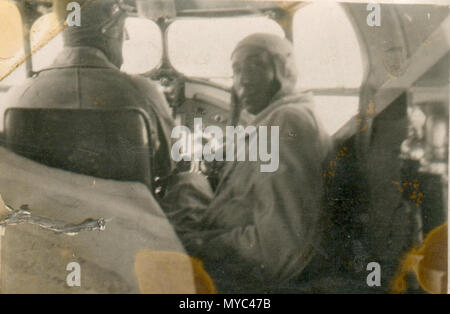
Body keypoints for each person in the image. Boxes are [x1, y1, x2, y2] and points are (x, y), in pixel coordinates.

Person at [161, 33, 334, 293]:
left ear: (284, 71)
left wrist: (199, 243)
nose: (243, 80)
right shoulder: (278, 117)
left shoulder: (284, 122)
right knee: (188, 181)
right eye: (237, 70)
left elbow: (278, 247)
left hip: (253, 272)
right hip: (234, 238)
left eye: (255, 66)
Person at [2, 0, 174, 182]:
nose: (126, 38)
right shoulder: (143, 92)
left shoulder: (17, 98)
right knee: (192, 182)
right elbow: (167, 166)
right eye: (124, 31)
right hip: (125, 210)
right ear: (113, 29)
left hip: (44, 211)